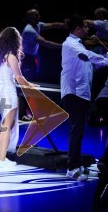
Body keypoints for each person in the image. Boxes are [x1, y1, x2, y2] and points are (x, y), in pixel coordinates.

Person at [60, 15, 108, 181]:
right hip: (73, 93)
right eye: (85, 28)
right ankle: (71, 167)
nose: (88, 30)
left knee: (79, 130)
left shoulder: (78, 44)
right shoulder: (70, 44)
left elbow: (93, 63)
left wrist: (105, 60)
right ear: (78, 29)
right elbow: (86, 56)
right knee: (76, 129)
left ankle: (78, 164)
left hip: (82, 93)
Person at [0, 27, 36, 167]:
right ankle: (3, 162)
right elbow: (19, 78)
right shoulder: (11, 56)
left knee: (4, 124)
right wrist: (31, 86)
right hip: (7, 92)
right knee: (7, 126)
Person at [20, 9, 66, 120]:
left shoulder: (38, 25)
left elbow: (53, 25)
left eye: (38, 14)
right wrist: (64, 46)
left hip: (33, 58)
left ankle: (29, 111)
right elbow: (45, 42)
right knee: (26, 86)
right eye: (34, 15)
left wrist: (65, 25)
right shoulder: (29, 30)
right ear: (29, 18)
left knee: (31, 85)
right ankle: (23, 113)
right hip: (26, 59)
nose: (38, 17)